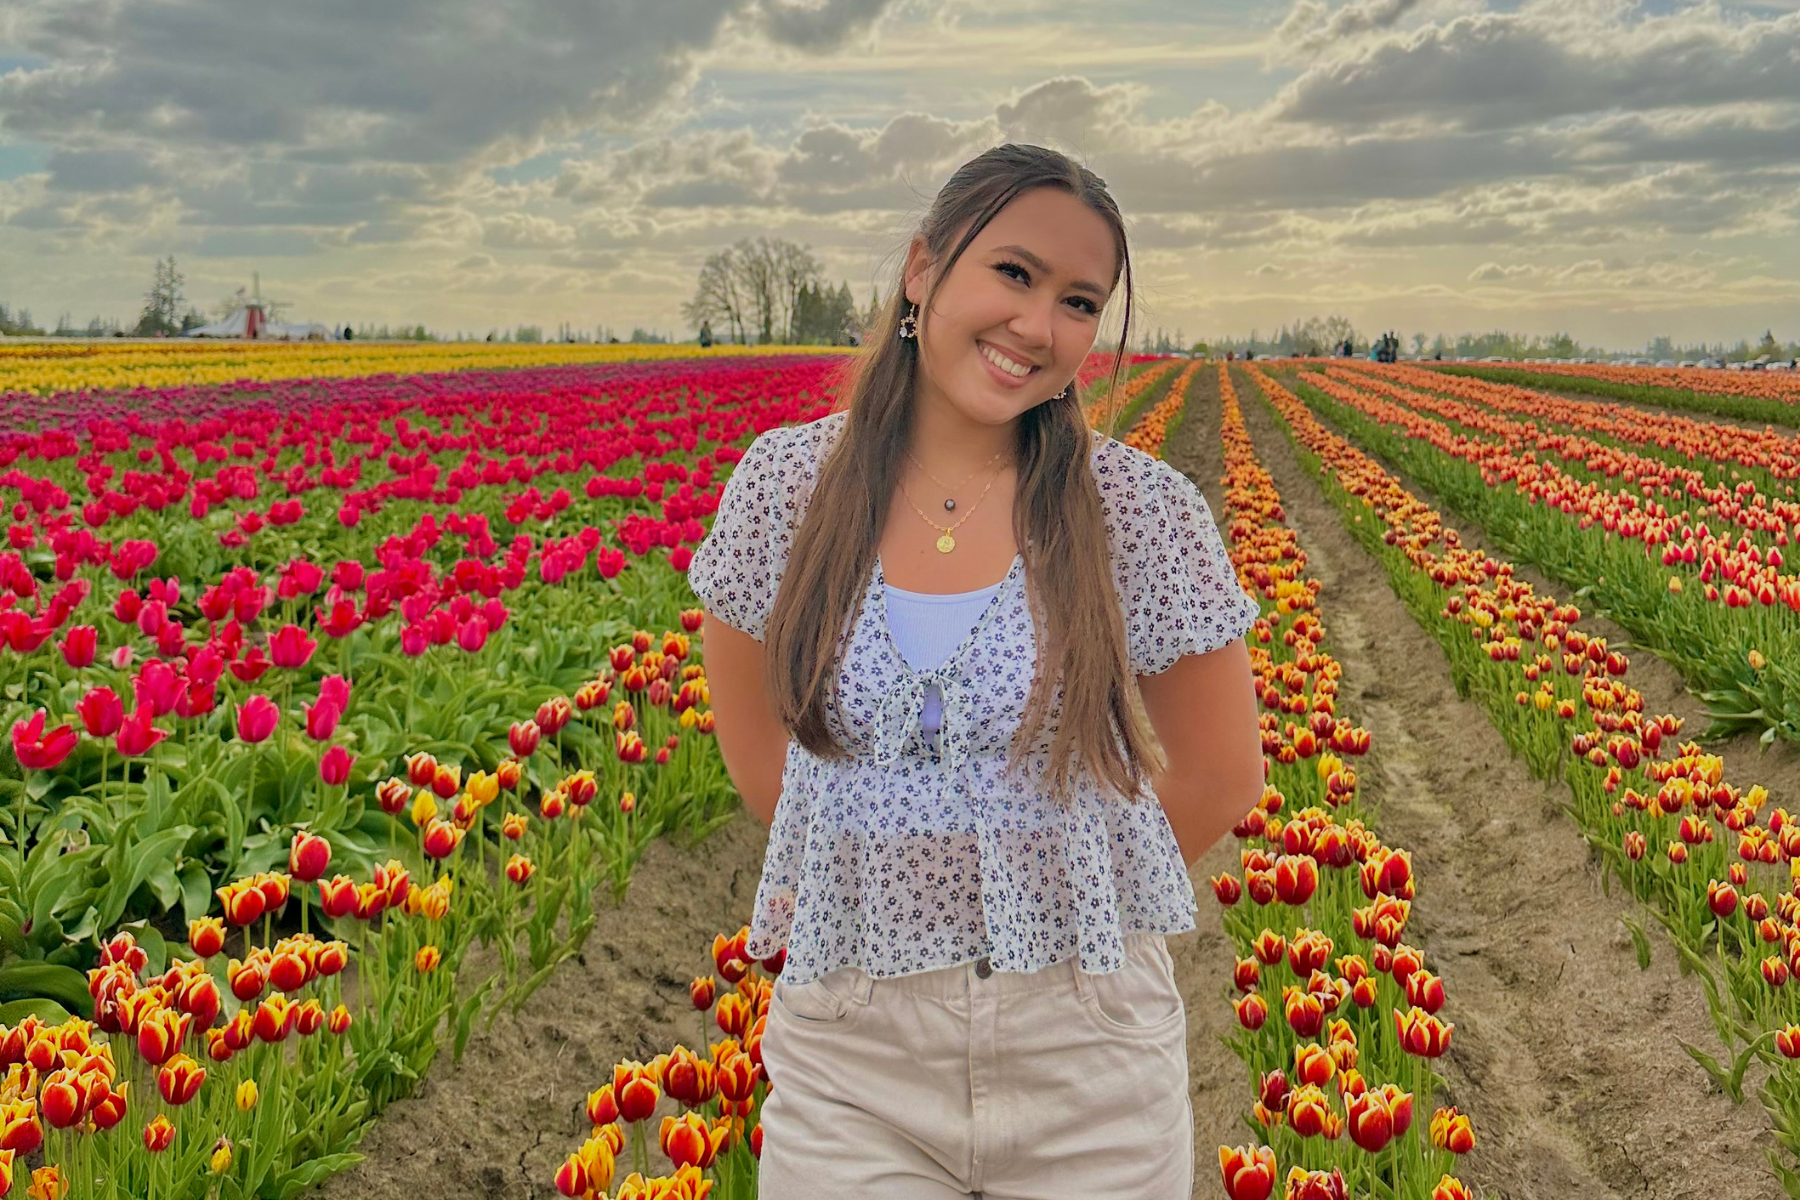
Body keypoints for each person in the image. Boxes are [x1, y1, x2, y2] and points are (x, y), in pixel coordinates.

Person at [686, 143, 1263, 1200]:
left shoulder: (1135, 511)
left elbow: (1224, 774)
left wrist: (1050, 884)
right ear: (922, 270)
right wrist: (908, 883)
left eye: (1080, 301)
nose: (1039, 328)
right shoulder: (786, 489)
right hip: (855, 1045)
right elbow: (765, 762)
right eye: (1013, 273)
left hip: (1084, 1050)